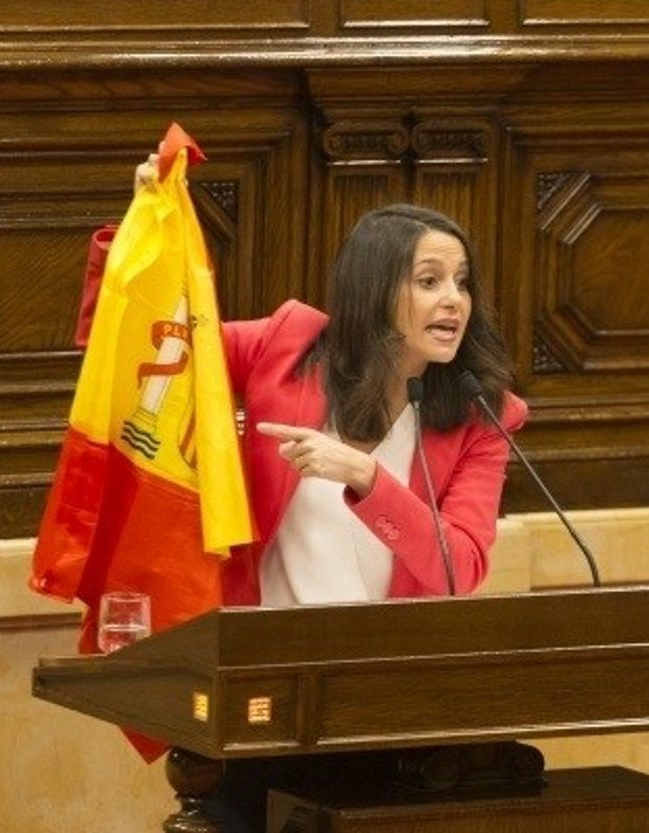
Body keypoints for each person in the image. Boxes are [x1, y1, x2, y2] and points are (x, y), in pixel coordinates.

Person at [75, 155, 527, 610]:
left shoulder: (482, 413)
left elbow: (460, 571)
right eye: (429, 281)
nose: (454, 299)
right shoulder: (286, 347)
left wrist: (364, 476)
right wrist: (143, 238)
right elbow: (137, 348)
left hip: (387, 665)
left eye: (463, 283)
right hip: (264, 658)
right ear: (373, 290)